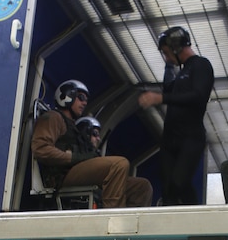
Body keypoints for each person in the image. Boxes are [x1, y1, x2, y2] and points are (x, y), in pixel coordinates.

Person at [31, 80, 152, 209]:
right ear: (66, 96)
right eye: (81, 97)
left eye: (86, 100)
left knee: (141, 187)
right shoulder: (54, 117)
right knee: (119, 164)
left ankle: (129, 225)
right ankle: (111, 216)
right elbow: (41, 149)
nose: (84, 103)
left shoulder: (74, 127)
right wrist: (72, 157)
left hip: (76, 171)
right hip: (63, 175)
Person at [138, 27, 214, 206]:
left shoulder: (201, 65)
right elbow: (169, 88)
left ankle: (197, 221)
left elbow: (199, 96)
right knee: (168, 189)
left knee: (180, 182)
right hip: (171, 138)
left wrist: (160, 98)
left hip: (191, 136)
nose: (166, 57)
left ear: (176, 48)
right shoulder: (182, 72)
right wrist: (168, 66)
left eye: (166, 53)